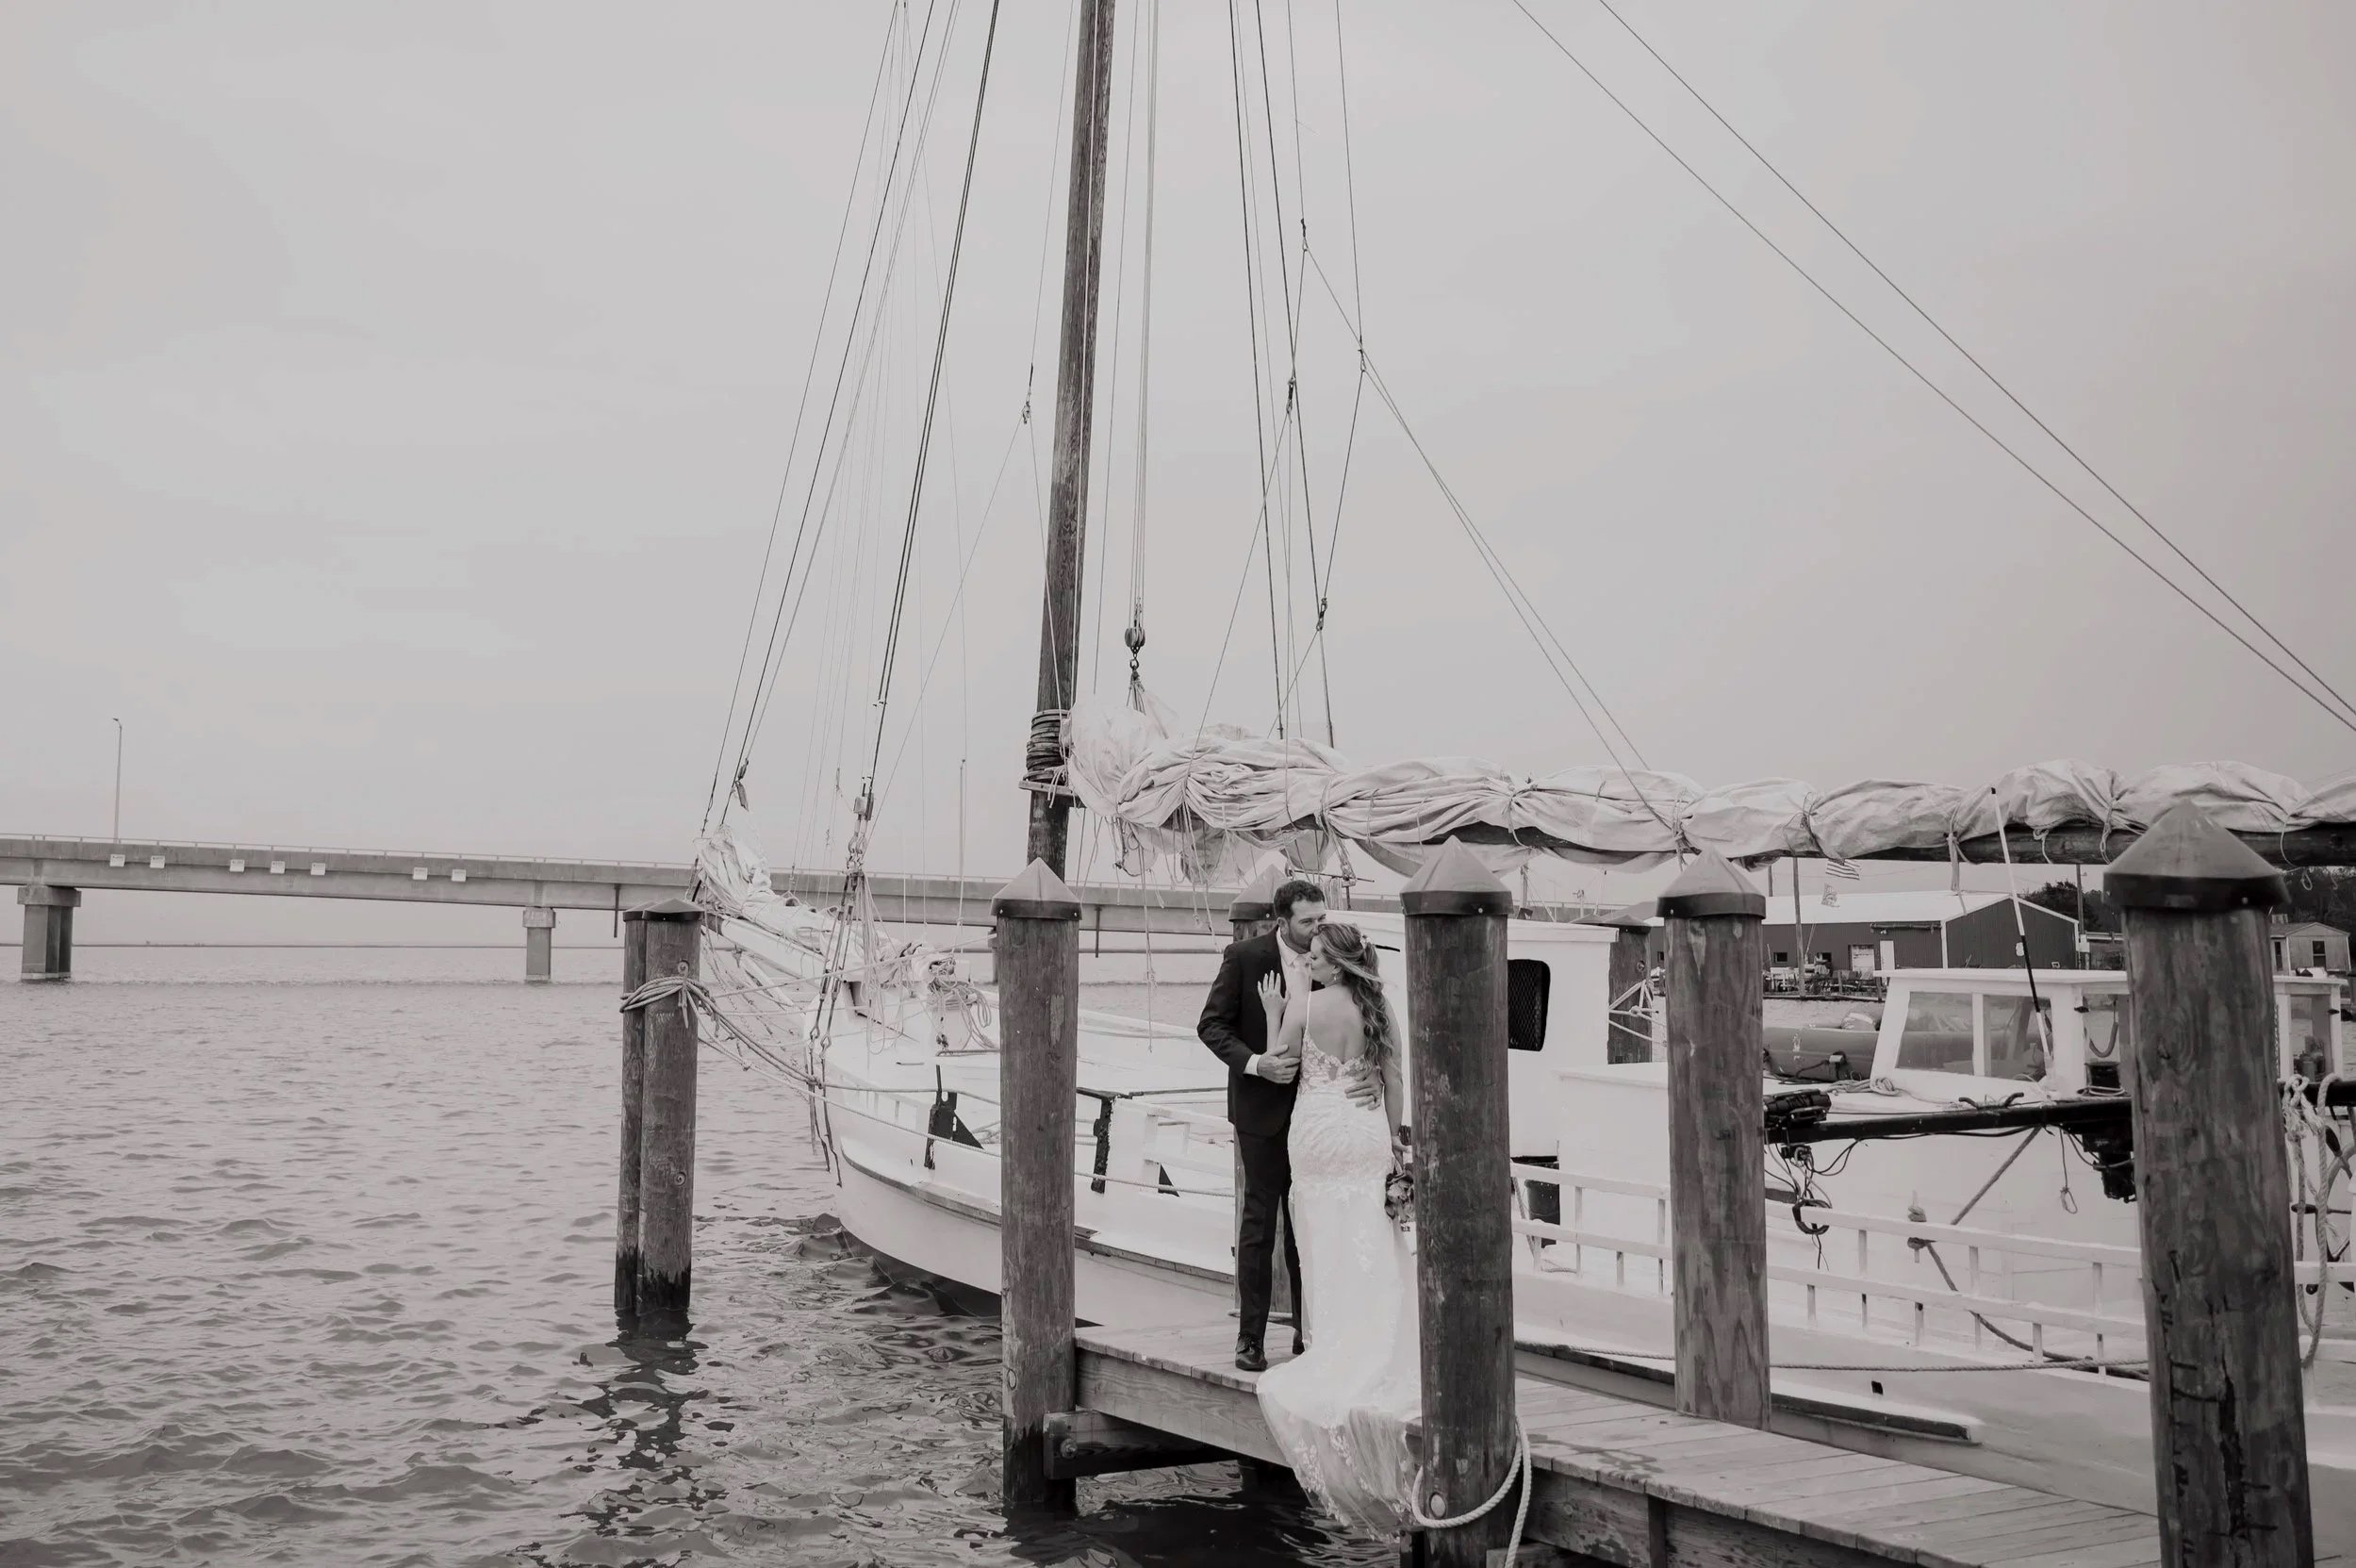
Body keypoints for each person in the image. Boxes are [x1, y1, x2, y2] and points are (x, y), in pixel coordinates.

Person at [1251, 920, 1420, 1539]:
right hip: (1366, 1126)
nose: (1311, 962)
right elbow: (1395, 1077)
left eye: (1319, 956)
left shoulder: (1307, 1002)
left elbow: (1277, 1063)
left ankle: (1333, 1344)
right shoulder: (1377, 1006)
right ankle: (1374, 1338)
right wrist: (1396, 1139)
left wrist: (1274, 1010)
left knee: (1321, 1232)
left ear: (1339, 961)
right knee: (1371, 1235)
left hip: (1318, 1132)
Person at [1196, 877, 1377, 1372]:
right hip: (1263, 1110)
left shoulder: (1335, 956)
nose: (1319, 926)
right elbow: (1211, 1025)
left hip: (1322, 1113)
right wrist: (1256, 1063)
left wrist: (1373, 1075)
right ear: (1283, 921)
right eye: (1308, 921)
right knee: (1260, 1223)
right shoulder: (1244, 957)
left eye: (1322, 916)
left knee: (1311, 1222)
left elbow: (1370, 1027)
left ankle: (1308, 1331)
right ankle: (1250, 1339)